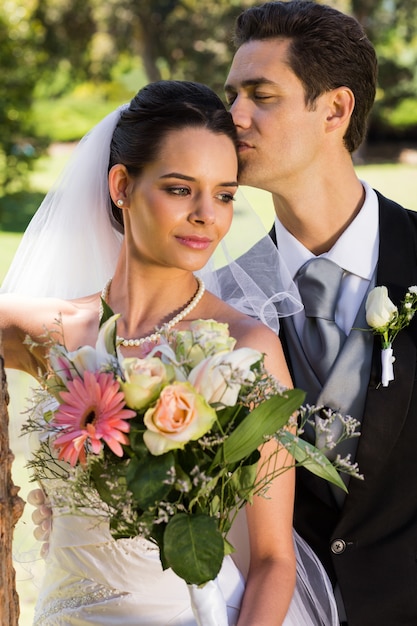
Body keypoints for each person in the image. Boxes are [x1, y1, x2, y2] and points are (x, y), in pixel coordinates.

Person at [1, 80, 337, 625]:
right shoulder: (47, 331)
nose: (208, 214)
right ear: (121, 185)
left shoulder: (245, 350)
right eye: (181, 189)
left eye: (225, 194)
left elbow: (274, 559)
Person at [224, 2, 417, 626]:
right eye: (231, 96)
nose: (234, 118)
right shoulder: (218, 300)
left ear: (334, 110)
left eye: (261, 95)